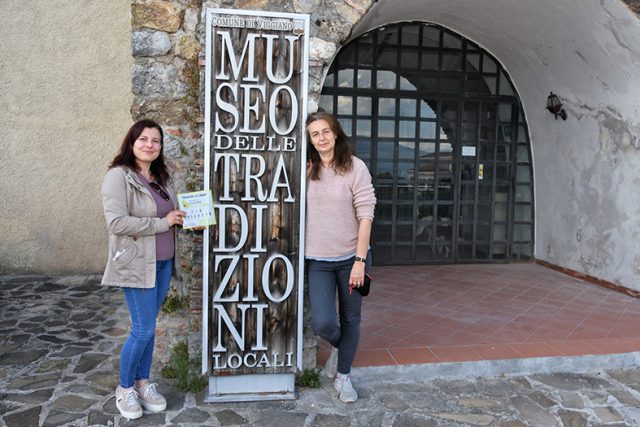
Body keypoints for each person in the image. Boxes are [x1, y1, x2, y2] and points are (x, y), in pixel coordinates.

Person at [101, 119, 185, 420]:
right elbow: (117, 222)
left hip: (162, 263)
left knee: (148, 327)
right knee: (143, 329)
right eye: (144, 139)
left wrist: (187, 218)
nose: (150, 145)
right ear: (132, 142)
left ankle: (143, 383)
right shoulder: (119, 176)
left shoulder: (161, 178)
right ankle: (125, 387)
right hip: (136, 264)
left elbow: (170, 216)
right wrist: (163, 223)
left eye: (156, 141)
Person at [305, 111, 376, 403]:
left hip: (351, 258)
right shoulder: (306, 169)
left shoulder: (355, 167)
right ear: (311, 140)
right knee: (323, 323)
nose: (321, 138)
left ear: (335, 133)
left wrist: (360, 262)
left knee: (351, 318)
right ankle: (341, 347)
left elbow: (366, 216)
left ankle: (343, 376)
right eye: (315, 134)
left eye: (325, 131)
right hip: (318, 260)